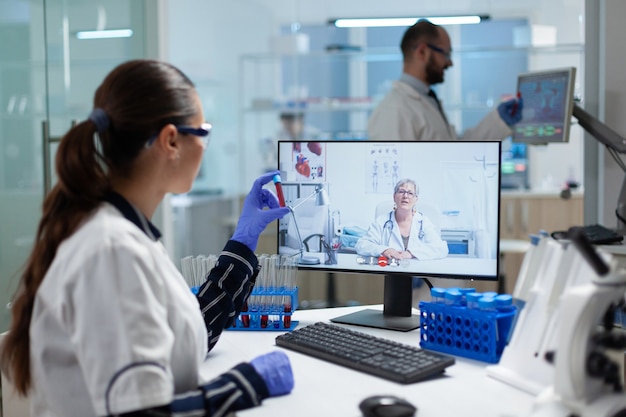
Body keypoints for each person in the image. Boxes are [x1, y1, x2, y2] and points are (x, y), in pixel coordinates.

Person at [0, 59, 294, 417]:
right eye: (204, 132)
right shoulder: (111, 251)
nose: (206, 146)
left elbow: (185, 336)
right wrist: (249, 383)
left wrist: (243, 243)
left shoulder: (124, 232)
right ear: (171, 140)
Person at [368, 19, 523, 141]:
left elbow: (454, 152)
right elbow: (396, 177)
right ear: (422, 52)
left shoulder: (425, 99)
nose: (450, 63)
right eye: (446, 54)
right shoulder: (395, 110)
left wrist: (499, 121)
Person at [355, 179, 448, 260]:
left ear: (416, 199)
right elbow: (362, 245)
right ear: (394, 197)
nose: (405, 196)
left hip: (417, 272)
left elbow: (441, 248)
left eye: (410, 193)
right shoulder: (382, 221)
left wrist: (412, 253)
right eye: (401, 191)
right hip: (389, 270)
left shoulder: (423, 222)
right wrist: (384, 250)